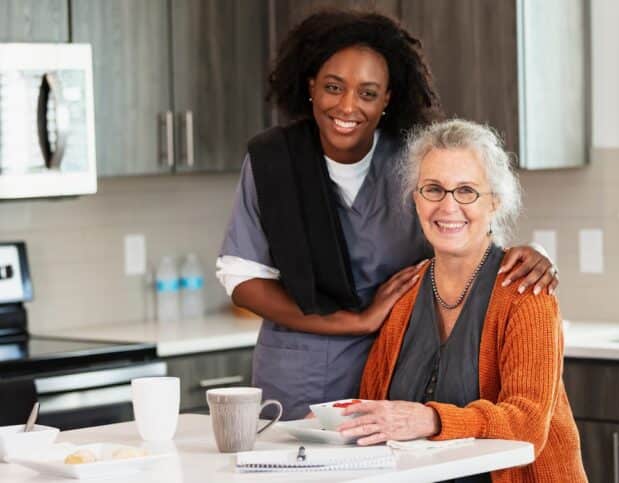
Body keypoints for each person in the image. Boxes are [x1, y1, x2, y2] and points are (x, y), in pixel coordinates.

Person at [216, 9, 559, 420]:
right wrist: (355, 321)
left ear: (387, 99)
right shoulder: (272, 160)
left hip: (398, 368)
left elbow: (461, 229)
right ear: (310, 85)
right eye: (333, 87)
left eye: (367, 92)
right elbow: (242, 278)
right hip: (299, 373)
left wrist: (530, 253)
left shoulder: (410, 163)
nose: (347, 106)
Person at [338, 120, 586, 482]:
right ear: (416, 199)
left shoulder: (525, 294)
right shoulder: (405, 293)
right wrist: (341, 425)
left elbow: (528, 423)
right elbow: (378, 407)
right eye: (433, 189)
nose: (448, 206)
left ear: (495, 203)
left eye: (467, 191)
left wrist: (433, 419)